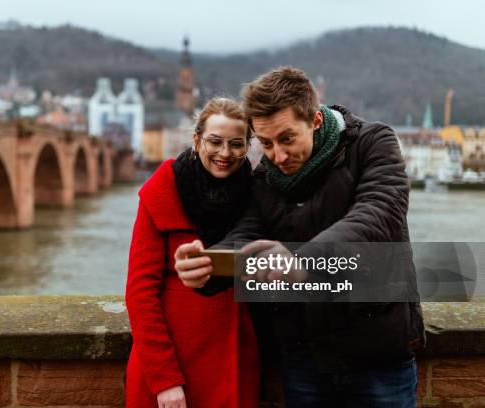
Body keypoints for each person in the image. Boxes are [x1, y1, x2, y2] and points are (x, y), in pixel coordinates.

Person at [174, 67, 425, 407]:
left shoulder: (372, 143)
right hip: (305, 359)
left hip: (376, 354)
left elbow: (378, 214)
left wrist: (302, 260)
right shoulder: (265, 176)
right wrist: (208, 265)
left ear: (316, 121)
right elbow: (248, 233)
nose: (277, 156)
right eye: (265, 143)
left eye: (287, 139)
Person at [124, 97, 260, 408]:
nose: (225, 153)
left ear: (247, 146)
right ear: (197, 139)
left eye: (236, 144)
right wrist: (164, 379)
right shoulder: (162, 191)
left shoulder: (255, 193)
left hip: (234, 359)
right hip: (171, 368)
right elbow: (140, 291)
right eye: (215, 141)